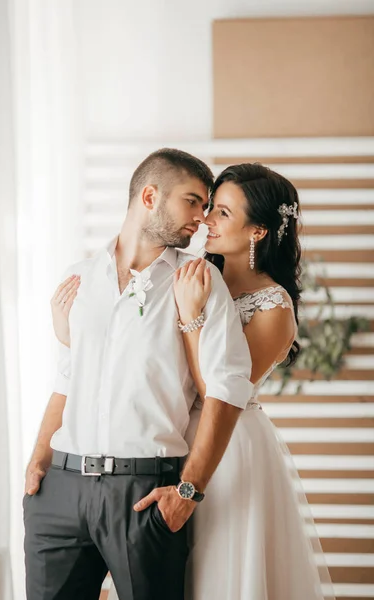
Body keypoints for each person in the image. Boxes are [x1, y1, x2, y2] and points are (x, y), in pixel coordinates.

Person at [52, 162, 334, 600]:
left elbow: (217, 391)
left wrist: (192, 318)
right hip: (169, 438)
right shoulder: (191, 273)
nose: (206, 220)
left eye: (221, 212)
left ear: (257, 231)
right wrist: (68, 333)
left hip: (228, 446)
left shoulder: (273, 306)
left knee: (213, 576)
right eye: (206, 207)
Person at [23, 149, 254, 600]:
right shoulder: (79, 279)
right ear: (150, 196)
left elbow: (227, 391)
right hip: (60, 494)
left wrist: (188, 491)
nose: (201, 217)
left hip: (145, 494)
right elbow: (67, 378)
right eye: (192, 201)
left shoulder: (199, 281)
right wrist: (37, 464)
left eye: (206, 206)